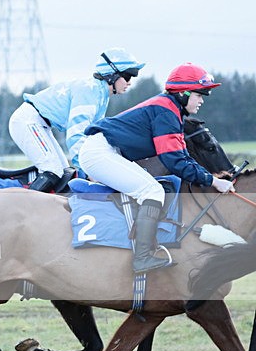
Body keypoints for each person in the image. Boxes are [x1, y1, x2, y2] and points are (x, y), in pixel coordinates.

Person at [79, 62, 235, 273]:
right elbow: (175, 162)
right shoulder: (166, 111)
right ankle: (142, 257)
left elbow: (183, 157)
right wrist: (214, 181)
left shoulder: (172, 111)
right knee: (152, 191)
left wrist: (211, 178)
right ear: (183, 93)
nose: (201, 101)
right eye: (199, 95)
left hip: (107, 151)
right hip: (100, 152)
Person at [8, 48, 145, 192]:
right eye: (128, 77)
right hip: (28, 121)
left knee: (64, 173)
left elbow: (92, 136)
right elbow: (76, 135)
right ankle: (27, 207)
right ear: (111, 75)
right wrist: (89, 169)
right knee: (53, 171)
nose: (130, 83)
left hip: (40, 124)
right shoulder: (90, 91)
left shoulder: (101, 94)